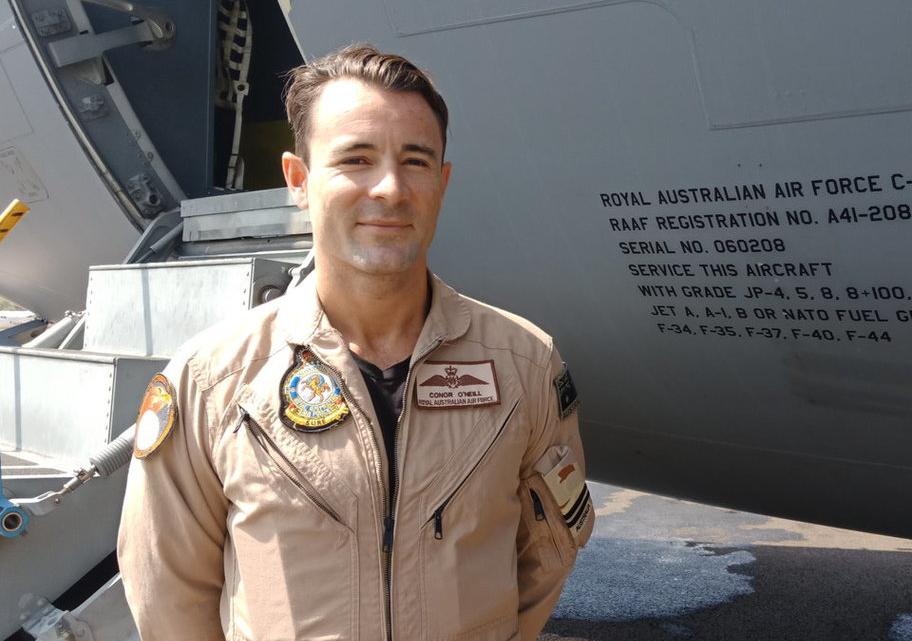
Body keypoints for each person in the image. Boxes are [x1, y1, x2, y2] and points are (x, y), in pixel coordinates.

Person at [118, 44, 593, 641]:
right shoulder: (213, 380)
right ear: (299, 179)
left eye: (416, 161)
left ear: (442, 182)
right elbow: (167, 589)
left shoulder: (523, 365)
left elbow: (547, 552)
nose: (391, 188)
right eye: (356, 159)